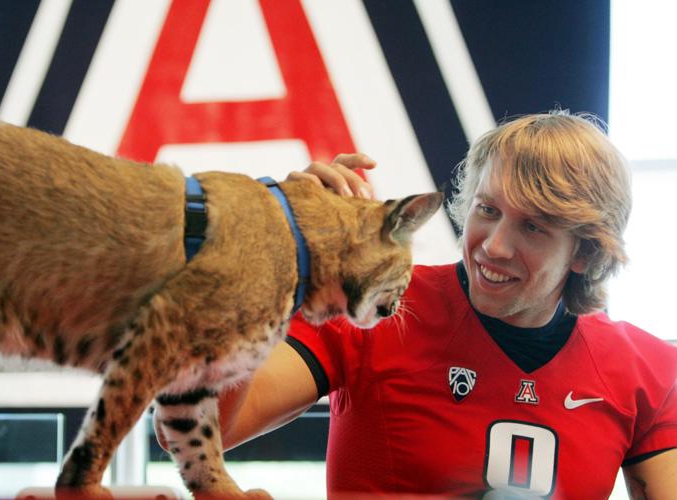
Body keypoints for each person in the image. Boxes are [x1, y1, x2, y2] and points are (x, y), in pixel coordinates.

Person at [212, 112, 677, 498]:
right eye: (487, 210)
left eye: (532, 227)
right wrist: (270, 256)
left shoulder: (648, 371)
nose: (493, 246)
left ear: (586, 252)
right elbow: (205, 428)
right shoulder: (376, 308)